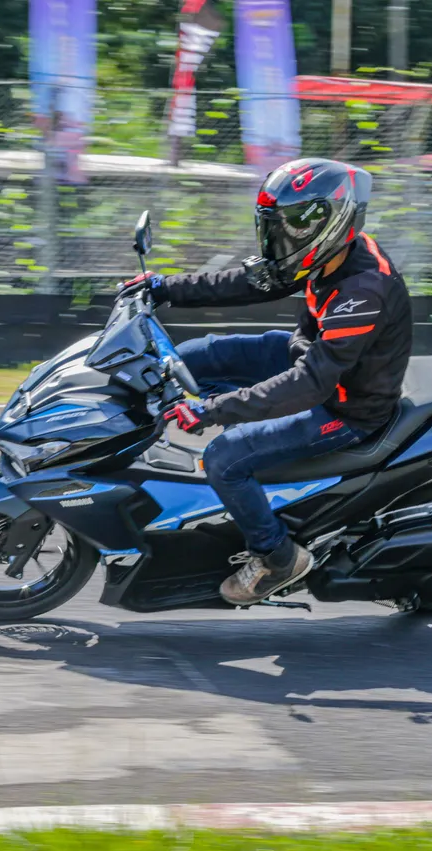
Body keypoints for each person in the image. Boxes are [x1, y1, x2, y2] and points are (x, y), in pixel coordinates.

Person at [118, 157, 412, 606]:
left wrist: (213, 409)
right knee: (194, 357)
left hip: (346, 407)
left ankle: (277, 556)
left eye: (292, 225)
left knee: (225, 458)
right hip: (309, 358)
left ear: (329, 223)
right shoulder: (331, 252)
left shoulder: (363, 292)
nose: (281, 237)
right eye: (275, 225)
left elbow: (310, 384)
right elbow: (255, 282)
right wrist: (164, 288)